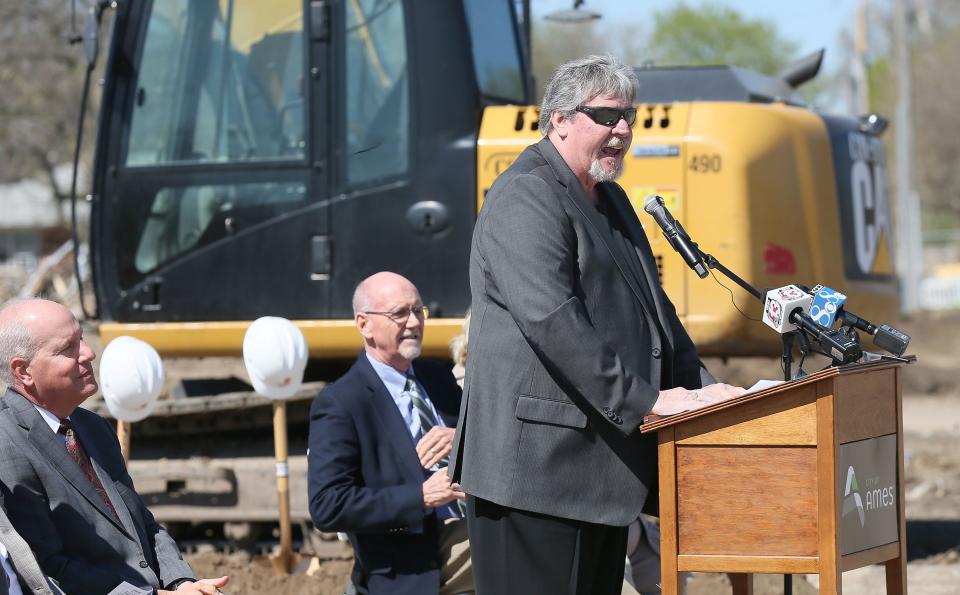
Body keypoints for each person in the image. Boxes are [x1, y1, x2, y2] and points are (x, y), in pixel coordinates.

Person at [449, 55, 746, 595]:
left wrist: (709, 393)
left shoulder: (610, 199)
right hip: (535, 477)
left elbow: (656, 316)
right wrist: (648, 403)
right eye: (607, 117)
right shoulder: (525, 195)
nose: (624, 131)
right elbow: (553, 320)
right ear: (560, 119)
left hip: (600, 475)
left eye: (627, 117)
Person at [0, 298, 229, 595]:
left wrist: (182, 582)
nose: (89, 353)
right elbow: (47, 568)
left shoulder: (92, 426)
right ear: (23, 371)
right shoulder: (7, 443)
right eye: (67, 348)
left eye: (81, 338)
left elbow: (142, 524)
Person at [308, 272, 472, 595]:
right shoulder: (341, 402)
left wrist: (461, 437)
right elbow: (328, 505)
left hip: (474, 521)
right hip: (414, 559)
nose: (413, 322)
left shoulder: (437, 378)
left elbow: (480, 442)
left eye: (418, 311)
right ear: (363, 324)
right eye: (399, 313)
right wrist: (421, 497)